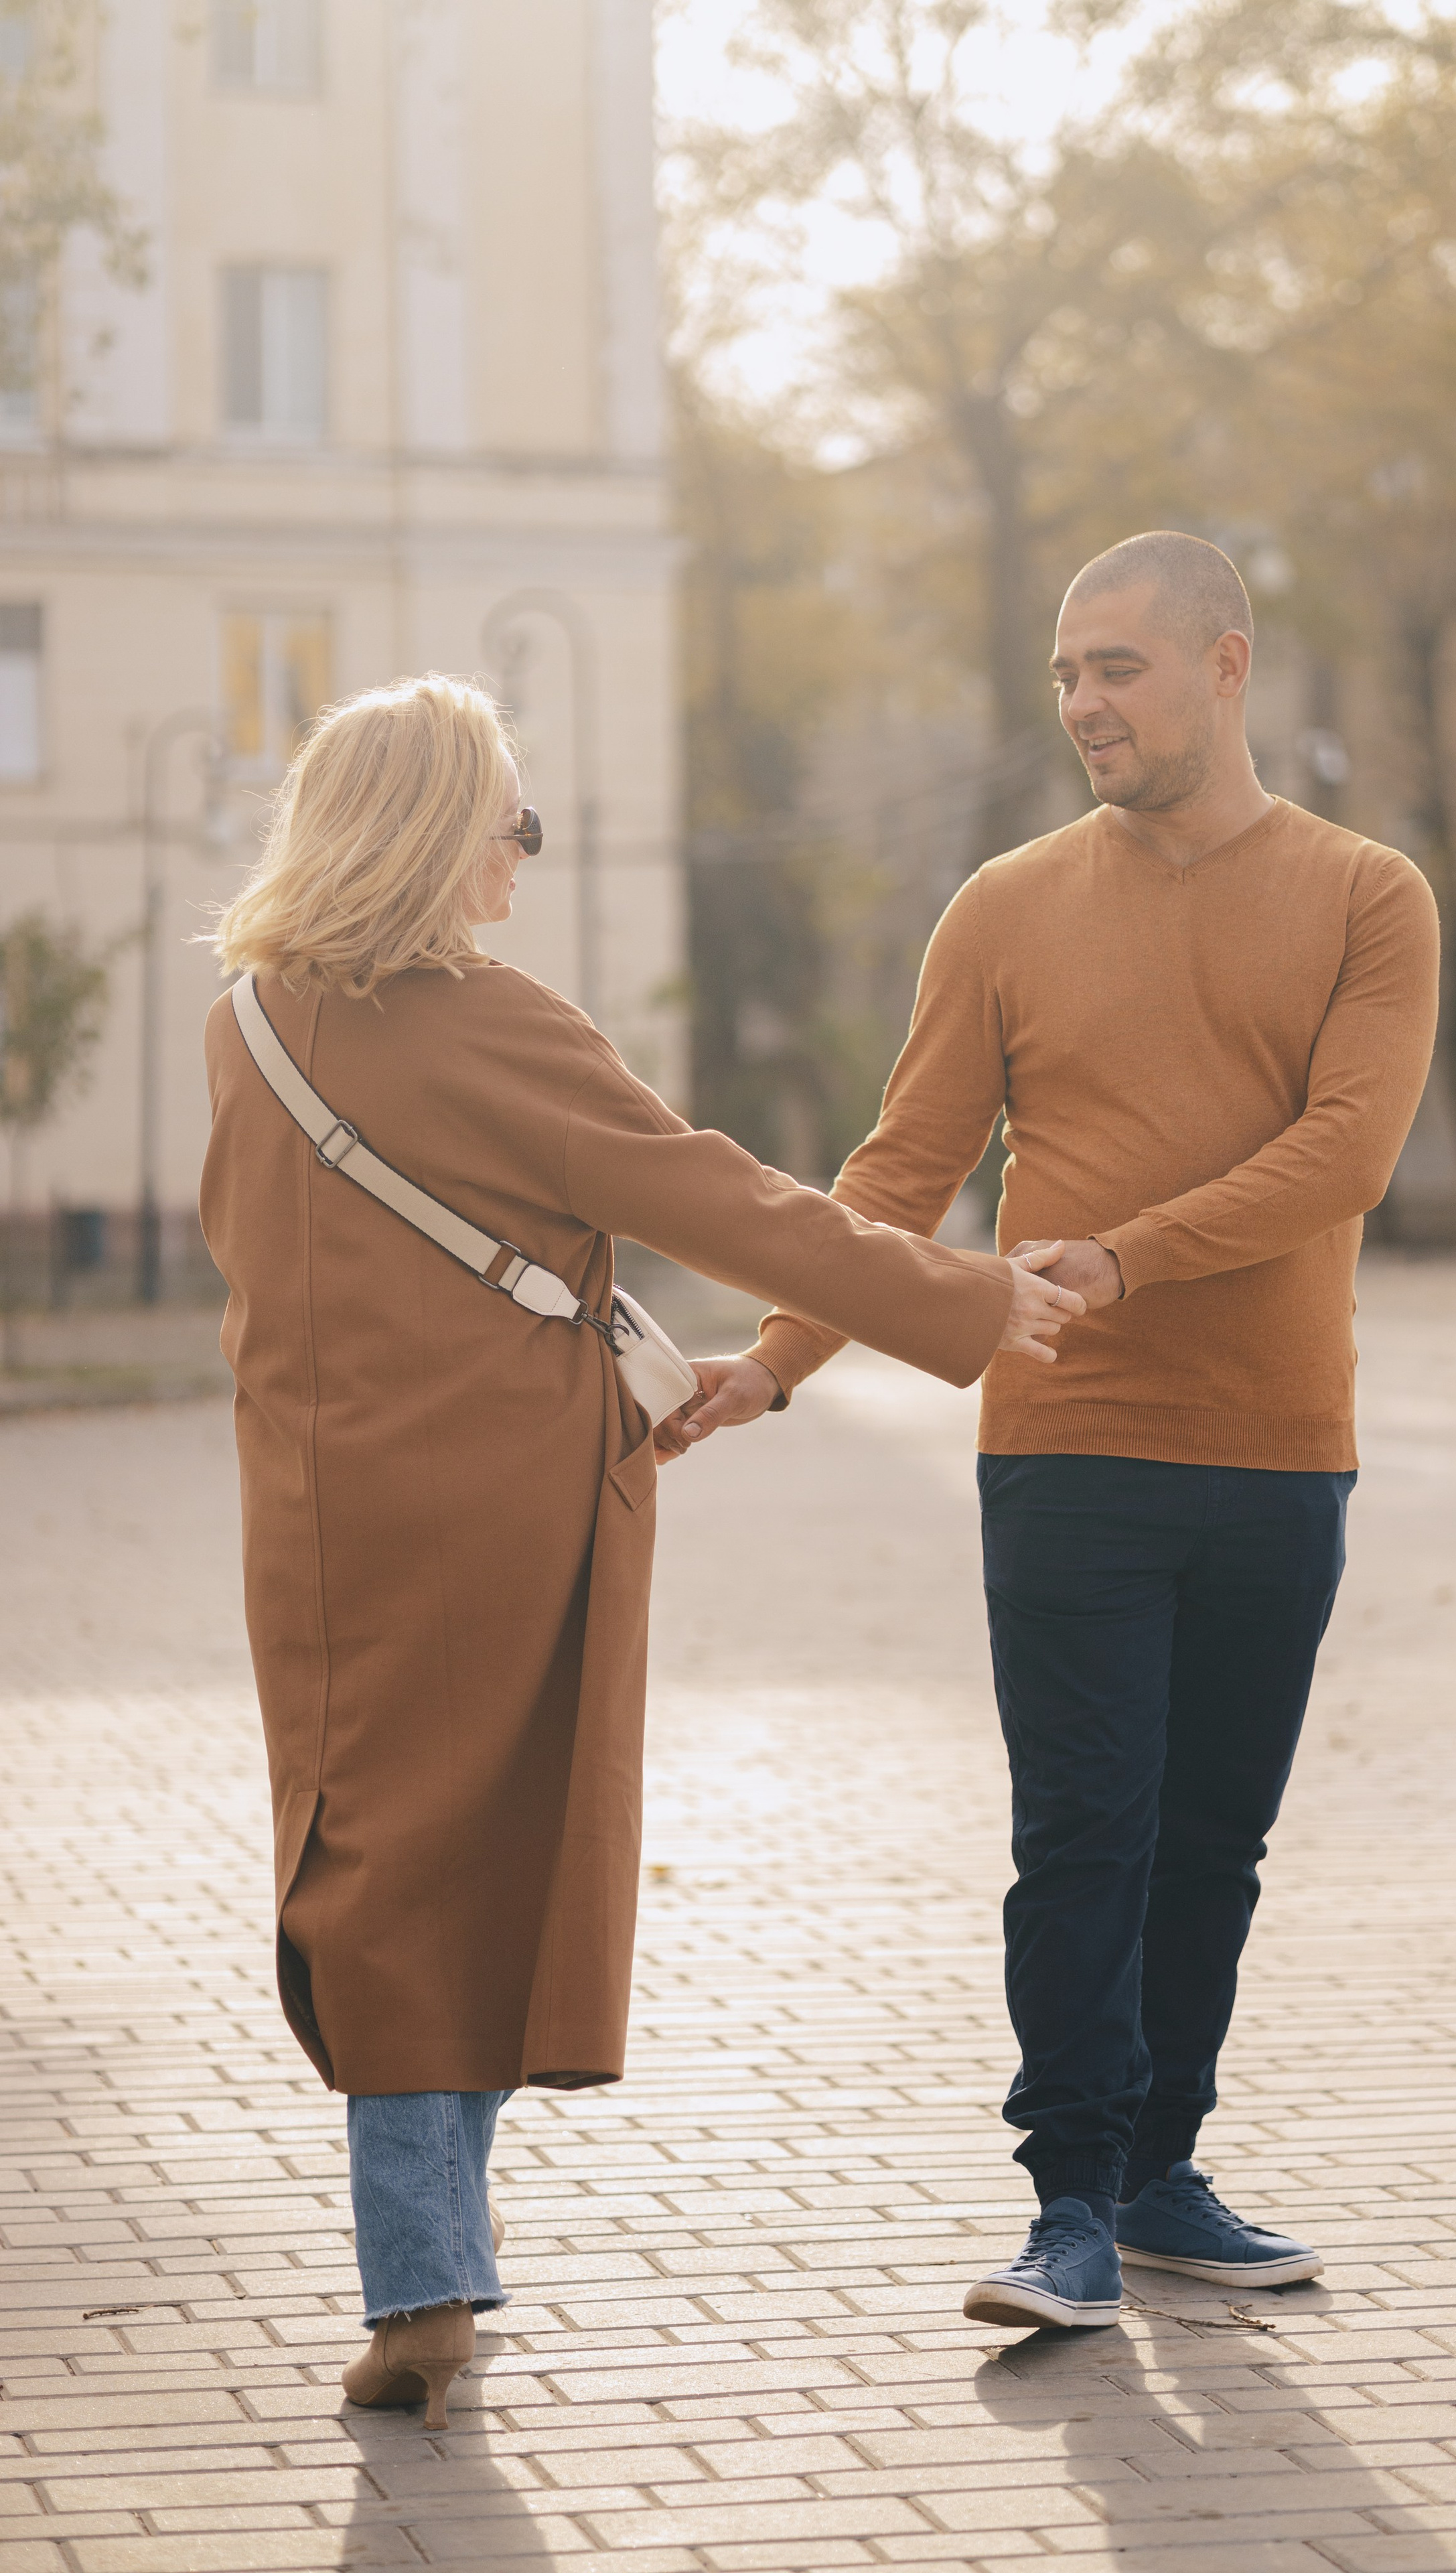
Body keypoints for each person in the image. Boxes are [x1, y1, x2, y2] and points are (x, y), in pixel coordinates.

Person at [198, 673, 1082, 2422]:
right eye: (509, 824)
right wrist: (973, 1297)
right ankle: (429, 2274)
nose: (520, 860)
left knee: (367, 1863)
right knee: (474, 1870)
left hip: (310, 1512)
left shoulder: (244, 1026)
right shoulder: (488, 1020)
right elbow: (721, 1194)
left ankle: (427, 2276)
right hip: (503, 1504)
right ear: (438, 830)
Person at [682, 533, 1441, 2330]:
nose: (1085, 704)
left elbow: (1349, 1151)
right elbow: (903, 1169)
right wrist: (776, 1359)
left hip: (1280, 1444)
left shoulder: (1367, 894)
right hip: (1069, 1442)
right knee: (1085, 1829)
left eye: (1120, 667)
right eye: (1065, 676)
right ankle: (1071, 2201)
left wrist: (1126, 1254)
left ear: (1227, 666)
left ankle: (1164, 2163)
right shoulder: (1006, 905)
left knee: (1215, 1839)